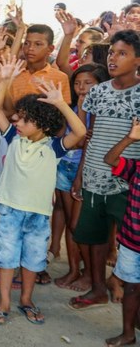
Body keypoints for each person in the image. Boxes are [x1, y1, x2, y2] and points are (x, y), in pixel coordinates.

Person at [0, 55, 86, 326]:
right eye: (17, 118)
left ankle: (26, 299)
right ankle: (4, 302)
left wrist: (61, 103)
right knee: (6, 259)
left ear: (41, 124)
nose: (16, 122)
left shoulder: (53, 147)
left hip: (39, 215)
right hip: (9, 210)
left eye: (24, 119)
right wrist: (5, 80)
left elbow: (79, 131)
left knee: (32, 261)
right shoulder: (14, 138)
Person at [70, 30, 140, 310]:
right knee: (95, 236)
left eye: (122, 53)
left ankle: (124, 288)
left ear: (137, 61)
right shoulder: (98, 91)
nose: (113, 58)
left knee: (131, 244)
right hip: (95, 177)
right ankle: (98, 287)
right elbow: (91, 134)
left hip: (128, 181)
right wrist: (80, 173)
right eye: (112, 52)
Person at [54, 64, 109, 292]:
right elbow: (61, 136)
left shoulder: (99, 111)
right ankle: (73, 269)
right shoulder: (72, 107)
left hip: (82, 171)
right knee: (69, 222)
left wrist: (80, 177)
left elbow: (85, 143)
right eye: (78, 83)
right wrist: (75, 110)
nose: (82, 88)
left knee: (78, 225)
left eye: (88, 83)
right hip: (65, 167)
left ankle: (91, 274)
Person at [103, 118, 140, 347]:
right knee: (132, 288)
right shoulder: (136, 167)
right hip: (131, 241)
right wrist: (130, 138)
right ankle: (128, 333)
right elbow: (110, 159)